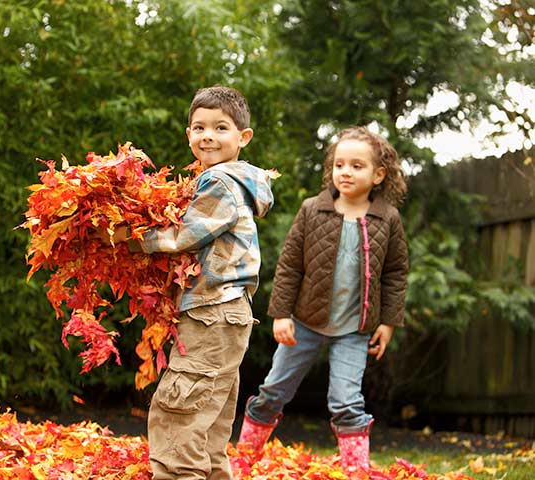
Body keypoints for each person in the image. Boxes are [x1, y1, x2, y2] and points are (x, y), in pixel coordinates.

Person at [111, 85, 275, 479]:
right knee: (209, 419)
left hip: (213, 311)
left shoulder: (220, 182)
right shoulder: (228, 181)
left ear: (243, 137)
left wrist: (128, 237)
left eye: (221, 128)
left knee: (178, 412)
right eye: (199, 127)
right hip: (224, 314)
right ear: (188, 135)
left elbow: (184, 235)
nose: (208, 136)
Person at [235, 126, 409, 473]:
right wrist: (281, 314)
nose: (346, 172)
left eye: (357, 166)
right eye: (339, 164)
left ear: (379, 175)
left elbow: (395, 273)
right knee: (273, 391)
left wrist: (388, 323)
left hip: (354, 330)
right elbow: (289, 265)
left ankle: (355, 471)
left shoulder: (387, 218)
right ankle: (242, 461)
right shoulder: (312, 210)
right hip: (303, 322)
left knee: (347, 401)